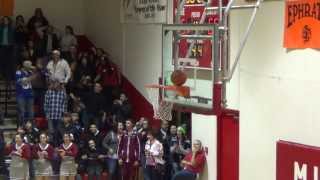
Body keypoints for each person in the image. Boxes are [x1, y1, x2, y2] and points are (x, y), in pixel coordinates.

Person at [44, 80, 68, 146]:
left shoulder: (62, 93)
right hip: (50, 115)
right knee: (51, 131)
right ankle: (50, 145)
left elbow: (64, 104)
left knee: (58, 131)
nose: (56, 85)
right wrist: (46, 114)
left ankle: (57, 145)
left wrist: (63, 115)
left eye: (57, 84)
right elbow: (46, 104)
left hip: (59, 115)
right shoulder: (49, 92)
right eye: (54, 84)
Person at [16, 61, 35, 126]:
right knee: (22, 112)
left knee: (31, 113)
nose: (31, 66)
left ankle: (31, 128)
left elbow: (34, 82)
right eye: (30, 65)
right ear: (25, 65)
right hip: (21, 95)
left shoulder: (31, 72)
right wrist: (30, 78)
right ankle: (21, 127)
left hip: (30, 95)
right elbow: (20, 82)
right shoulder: (19, 72)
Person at [0, 16, 15, 81]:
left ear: (9, 21)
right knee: (2, 61)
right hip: (2, 46)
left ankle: (8, 76)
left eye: (7, 20)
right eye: (4, 20)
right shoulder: (1, 28)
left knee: (9, 62)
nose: (5, 21)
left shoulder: (11, 28)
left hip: (9, 46)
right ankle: (2, 75)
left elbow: (13, 38)